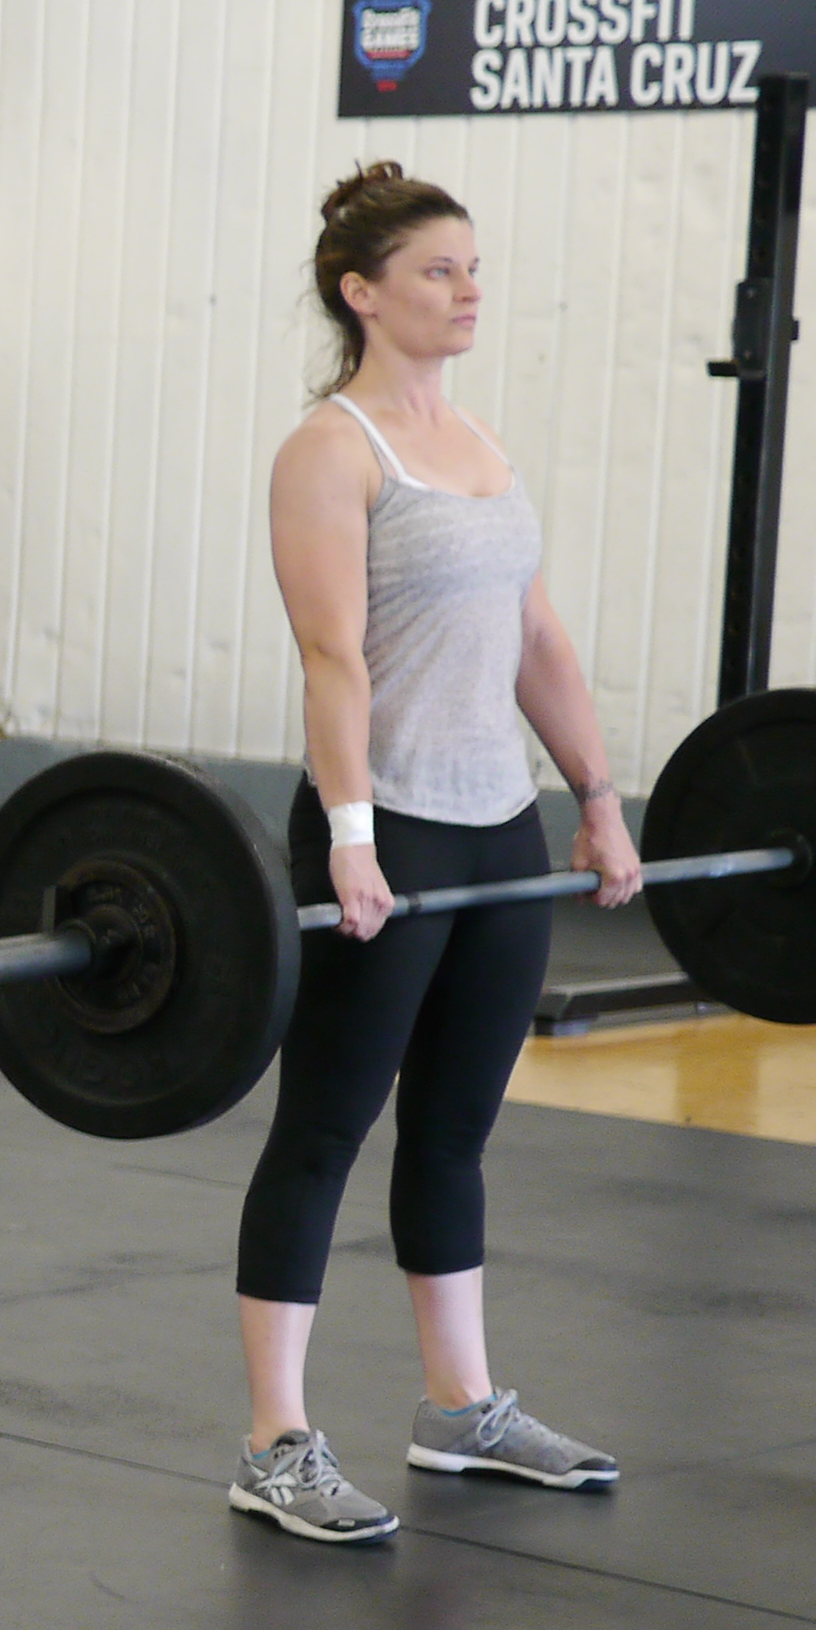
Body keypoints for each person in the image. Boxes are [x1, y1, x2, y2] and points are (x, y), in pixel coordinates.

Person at [232, 163, 638, 1542]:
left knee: (455, 1130)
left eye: (473, 269)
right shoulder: (331, 450)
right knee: (324, 1130)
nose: (467, 292)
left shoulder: (480, 446)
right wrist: (351, 838)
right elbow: (331, 656)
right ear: (362, 292)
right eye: (437, 271)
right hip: (388, 827)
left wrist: (597, 797)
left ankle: (460, 1408)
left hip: (497, 828)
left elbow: (538, 640)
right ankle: (274, 1441)